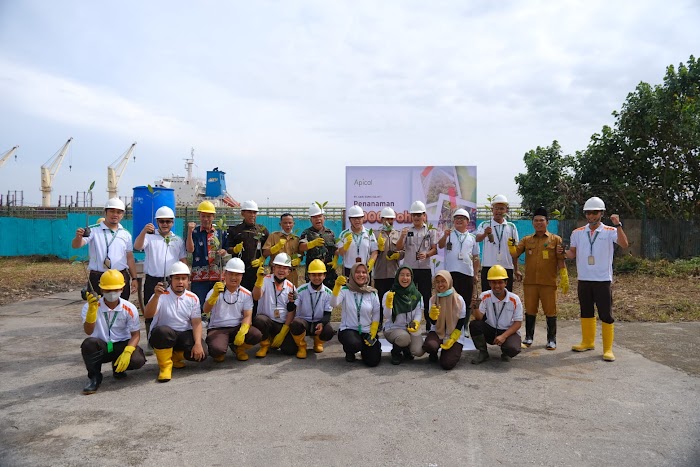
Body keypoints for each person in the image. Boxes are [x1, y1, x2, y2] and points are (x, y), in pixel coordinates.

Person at [566, 196, 629, 362]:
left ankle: (607, 349)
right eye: (588, 213)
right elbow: (572, 254)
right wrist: (562, 253)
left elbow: (624, 244)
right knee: (586, 311)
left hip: (602, 280)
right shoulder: (577, 233)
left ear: (601, 213)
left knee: (605, 314)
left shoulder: (610, 231)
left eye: (594, 213)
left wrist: (618, 225)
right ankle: (587, 342)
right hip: (584, 279)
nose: (591, 216)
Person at [510, 207, 568, 350]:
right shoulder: (527, 240)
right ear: (532, 223)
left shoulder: (556, 239)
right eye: (536, 221)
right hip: (530, 283)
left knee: (550, 311)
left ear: (547, 222)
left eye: (541, 220)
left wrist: (564, 277)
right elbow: (515, 253)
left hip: (548, 282)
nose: (538, 223)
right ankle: (529, 337)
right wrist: (511, 246)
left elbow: (561, 259)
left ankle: (551, 339)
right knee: (530, 310)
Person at [80, 270, 146, 394]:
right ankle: (94, 377)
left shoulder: (129, 308)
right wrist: (92, 312)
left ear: (122, 288)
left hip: (121, 345)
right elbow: (88, 331)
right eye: (107, 290)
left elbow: (135, 335)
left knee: (137, 359)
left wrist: (127, 351)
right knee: (88, 344)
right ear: (101, 289)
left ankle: (118, 368)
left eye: (115, 290)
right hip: (101, 346)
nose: (112, 293)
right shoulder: (90, 306)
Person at [145, 262, 207, 382]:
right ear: (170, 280)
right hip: (164, 335)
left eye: (184, 278)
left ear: (188, 281)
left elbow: (196, 322)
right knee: (162, 331)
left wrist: (198, 343)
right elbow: (148, 314)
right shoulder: (161, 295)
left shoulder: (193, 297)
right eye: (177, 278)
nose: (180, 282)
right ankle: (165, 367)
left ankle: (175, 357)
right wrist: (156, 296)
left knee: (203, 353)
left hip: (183, 334)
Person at [133, 205, 187, 339]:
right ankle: (151, 340)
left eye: (168, 221)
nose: (165, 224)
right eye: (161, 221)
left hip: (171, 280)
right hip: (152, 280)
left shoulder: (177, 240)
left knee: (171, 311)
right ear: (157, 222)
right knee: (150, 311)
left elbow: (182, 260)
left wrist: (187, 280)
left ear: (172, 222)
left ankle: (170, 338)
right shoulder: (150, 238)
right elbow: (137, 246)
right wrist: (144, 231)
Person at [72, 197, 138, 300]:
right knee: (96, 308)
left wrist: (134, 278)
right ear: (105, 212)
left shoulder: (125, 234)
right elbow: (76, 245)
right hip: (98, 277)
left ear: (122, 215)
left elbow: (129, 257)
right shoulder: (93, 230)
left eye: (119, 212)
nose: (115, 214)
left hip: (120, 277)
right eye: (112, 211)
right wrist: (78, 237)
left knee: (120, 308)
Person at [203, 258, 262, 362]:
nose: (234, 277)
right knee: (217, 351)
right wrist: (214, 296)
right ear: (225, 274)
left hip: (237, 327)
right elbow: (205, 310)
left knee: (256, 335)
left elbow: (247, 315)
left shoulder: (246, 294)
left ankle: (239, 348)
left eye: (237, 275)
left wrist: (243, 331)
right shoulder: (215, 290)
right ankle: (220, 350)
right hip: (218, 328)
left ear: (242, 276)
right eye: (231, 274)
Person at [395, 200, 437, 331]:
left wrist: (427, 254)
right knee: (409, 297)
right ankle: (409, 323)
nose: (417, 217)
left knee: (426, 297)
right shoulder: (406, 230)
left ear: (424, 216)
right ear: (411, 217)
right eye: (414, 215)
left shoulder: (430, 231)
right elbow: (399, 247)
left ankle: (430, 325)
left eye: (419, 215)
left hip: (425, 269)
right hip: (410, 271)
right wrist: (402, 237)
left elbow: (435, 249)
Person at [330, 263, 381, 366]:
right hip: (349, 329)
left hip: (366, 330)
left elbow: (376, 312)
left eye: (363, 272)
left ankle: (365, 351)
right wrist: (337, 286)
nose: (361, 275)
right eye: (357, 272)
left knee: (373, 361)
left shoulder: (372, 292)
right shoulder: (345, 290)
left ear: (367, 275)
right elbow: (333, 303)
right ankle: (350, 351)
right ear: (352, 274)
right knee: (354, 344)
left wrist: (373, 331)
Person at [470, 265, 523, 364]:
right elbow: (479, 317)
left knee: (513, 348)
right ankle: (483, 352)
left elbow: (518, 323)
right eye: (494, 282)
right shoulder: (484, 296)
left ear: (506, 283)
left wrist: (503, 336)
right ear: (489, 283)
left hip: (507, 332)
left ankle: (506, 352)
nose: (497, 286)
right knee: (474, 324)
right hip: (491, 330)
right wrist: (475, 307)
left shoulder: (515, 299)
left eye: (500, 282)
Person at [251, 253, 301, 358]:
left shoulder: (291, 287)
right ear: (273, 268)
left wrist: (284, 331)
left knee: (290, 350)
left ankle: (274, 338)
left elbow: (292, 311)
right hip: (267, 321)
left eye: (285, 268)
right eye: (278, 267)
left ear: (289, 271)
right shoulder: (265, 280)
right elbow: (256, 297)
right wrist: (258, 281)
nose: (281, 270)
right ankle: (264, 344)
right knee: (260, 320)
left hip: (281, 324)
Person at [438, 208, 480, 329]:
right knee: (450, 301)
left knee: (466, 301)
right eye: (457, 218)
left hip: (467, 273)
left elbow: (476, 257)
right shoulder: (448, 234)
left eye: (462, 219)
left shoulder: (472, 237)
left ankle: (464, 327)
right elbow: (440, 246)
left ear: (468, 222)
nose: (459, 220)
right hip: (451, 274)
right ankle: (450, 325)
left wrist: (476, 274)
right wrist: (444, 236)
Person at [186, 200, 228, 315]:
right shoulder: (194, 232)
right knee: (199, 306)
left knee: (217, 306)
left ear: (213, 216)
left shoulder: (221, 232)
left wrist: (223, 251)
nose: (206, 219)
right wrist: (189, 233)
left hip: (217, 276)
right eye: (203, 216)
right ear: (199, 216)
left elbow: (227, 249)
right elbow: (190, 250)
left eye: (209, 216)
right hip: (199, 277)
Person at [422, 270, 467, 370]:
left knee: (447, 364)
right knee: (430, 346)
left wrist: (453, 338)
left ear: (449, 281)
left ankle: (452, 351)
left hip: (454, 334)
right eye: (437, 282)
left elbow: (461, 322)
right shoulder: (433, 299)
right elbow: (433, 323)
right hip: (438, 331)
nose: (440, 284)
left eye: (443, 281)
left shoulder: (459, 299)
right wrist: (432, 317)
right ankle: (434, 353)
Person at [475, 195, 520, 292]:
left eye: (501, 209)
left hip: (506, 266)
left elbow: (515, 250)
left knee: (506, 296)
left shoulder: (511, 227)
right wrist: (485, 234)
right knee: (487, 296)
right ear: (492, 210)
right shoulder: (485, 224)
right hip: (488, 266)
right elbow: (477, 239)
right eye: (496, 208)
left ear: (506, 210)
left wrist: (516, 269)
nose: (499, 211)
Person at [227, 200, 270, 299]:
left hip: (257, 271)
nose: (252, 215)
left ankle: (254, 314)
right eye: (249, 212)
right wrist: (234, 249)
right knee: (240, 296)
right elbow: (228, 248)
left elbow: (267, 249)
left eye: (254, 212)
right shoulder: (235, 230)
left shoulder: (262, 230)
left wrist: (262, 259)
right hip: (239, 271)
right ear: (243, 213)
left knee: (256, 297)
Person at [382, 266, 424, 365]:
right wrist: (389, 305)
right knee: (404, 338)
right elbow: (387, 316)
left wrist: (416, 322)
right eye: (402, 275)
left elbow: (418, 312)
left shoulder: (417, 295)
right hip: (393, 329)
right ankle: (396, 353)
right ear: (397, 277)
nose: (405, 278)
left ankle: (406, 348)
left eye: (408, 275)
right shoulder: (389, 294)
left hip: (410, 329)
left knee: (419, 351)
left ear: (411, 277)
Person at [292, 259, 335, 354]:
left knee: (329, 331)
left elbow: (328, 314)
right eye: (313, 275)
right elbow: (291, 308)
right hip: (304, 322)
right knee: (295, 324)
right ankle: (302, 346)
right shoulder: (300, 290)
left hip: (318, 323)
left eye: (320, 275)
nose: (316, 278)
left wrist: (322, 324)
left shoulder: (329, 293)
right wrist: (290, 302)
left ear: (324, 276)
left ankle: (318, 342)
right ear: (309, 276)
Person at [372, 207, 404, 325]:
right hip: (379, 273)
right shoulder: (375, 235)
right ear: (381, 219)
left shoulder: (398, 234)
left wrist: (397, 255)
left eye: (391, 219)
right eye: (387, 219)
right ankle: (378, 323)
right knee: (379, 300)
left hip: (394, 273)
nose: (389, 221)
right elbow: (372, 252)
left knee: (394, 300)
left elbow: (403, 251)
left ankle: (395, 322)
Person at [299, 203, 338, 288]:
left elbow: (335, 250)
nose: (318, 219)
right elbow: (301, 247)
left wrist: (335, 260)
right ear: (311, 220)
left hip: (329, 274)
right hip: (313, 274)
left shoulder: (330, 233)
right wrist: (312, 244)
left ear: (324, 218)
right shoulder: (306, 233)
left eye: (320, 216)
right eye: (314, 217)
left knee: (329, 298)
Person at [336, 205, 378, 277]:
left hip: (365, 269)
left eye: (359, 218)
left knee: (365, 288)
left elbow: (375, 251)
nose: (357, 220)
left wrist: (371, 262)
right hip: (349, 269)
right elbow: (340, 253)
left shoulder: (369, 233)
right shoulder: (343, 234)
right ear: (350, 219)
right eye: (354, 218)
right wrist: (345, 246)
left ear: (363, 218)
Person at [262, 212, 301, 285]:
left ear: (293, 224)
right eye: (285, 223)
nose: (288, 225)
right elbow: (265, 253)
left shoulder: (296, 239)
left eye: (290, 223)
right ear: (280, 224)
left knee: (291, 294)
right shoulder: (273, 236)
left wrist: (298, 259)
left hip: (291, 273)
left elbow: (300, 254)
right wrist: (275, 248)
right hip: (276, 272)